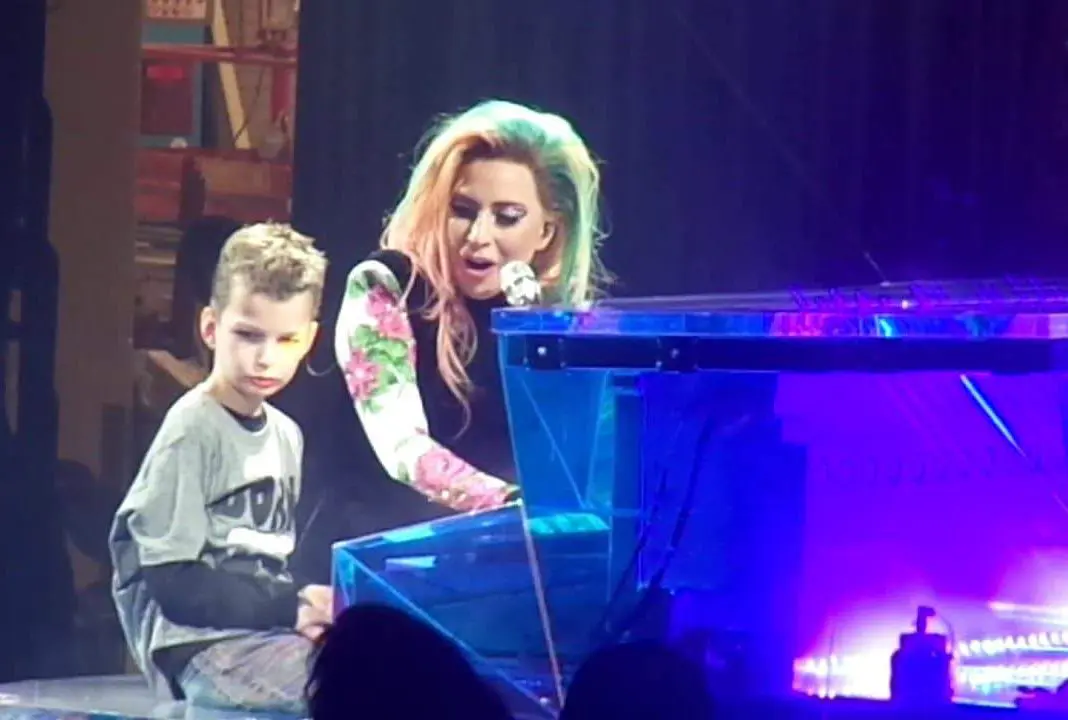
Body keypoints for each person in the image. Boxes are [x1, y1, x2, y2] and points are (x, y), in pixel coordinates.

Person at [334, 99, 608, 512]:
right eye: (462, 211)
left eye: (507, 217)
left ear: (547, 232)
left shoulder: (549, 318)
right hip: (381, 534)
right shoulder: (387, 284)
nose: (478, 235)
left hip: (508, 543)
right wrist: (511, 504)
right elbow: (401, 445)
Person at [110, 222, 331, 715]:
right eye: (248, 335)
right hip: (201, 647)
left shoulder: (286, 435)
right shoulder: (192, 429)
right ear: (210, 327)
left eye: (286, 339)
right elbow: (174, 584)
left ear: (310, 339)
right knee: (353, 684)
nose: (266, 358)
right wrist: (292, 605)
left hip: (265, 637)